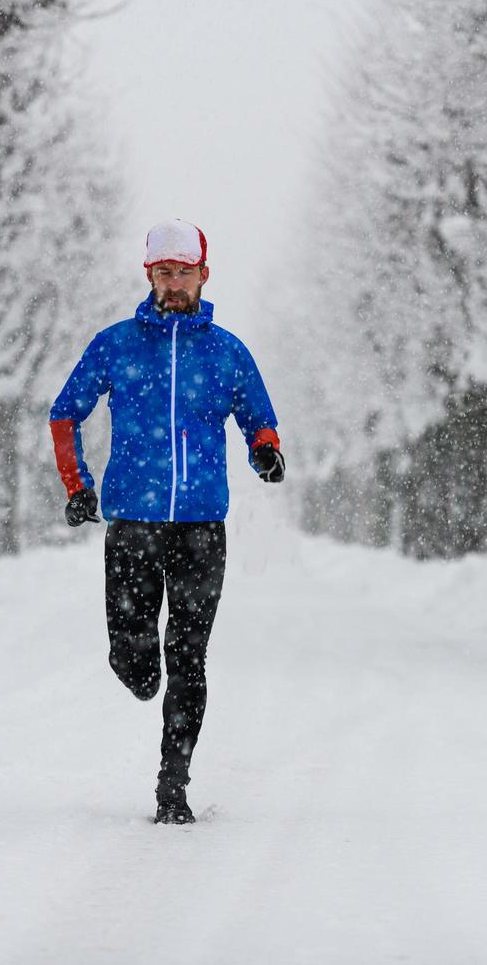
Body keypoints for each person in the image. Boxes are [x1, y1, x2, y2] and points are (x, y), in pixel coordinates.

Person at [49, 219, 285, 825]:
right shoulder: (116, 345)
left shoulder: (228, 351)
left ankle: (172, 782)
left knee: (190, 658)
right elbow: (64, 414)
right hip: (132, 521)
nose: (173, 283)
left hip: (202, 525)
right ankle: (134, 665)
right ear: (149, 276)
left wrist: (264, 448)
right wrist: (79, 486)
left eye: (183, 272)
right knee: (133, 656)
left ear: (204, 275)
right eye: (163, 273)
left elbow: (258, 414)